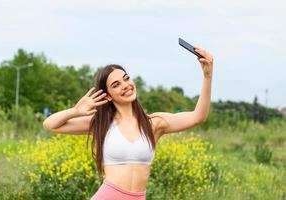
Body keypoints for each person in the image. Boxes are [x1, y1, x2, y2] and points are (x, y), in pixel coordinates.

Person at [42, 46, 213, 200]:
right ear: (107, 96)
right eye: (116, 85)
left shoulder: (154, 123)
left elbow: (198, 116)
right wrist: (75, 111)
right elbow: (50, 124)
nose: (125, 85)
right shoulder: (101, 124)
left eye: (126, 78)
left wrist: (207, 76)